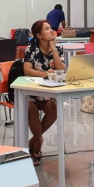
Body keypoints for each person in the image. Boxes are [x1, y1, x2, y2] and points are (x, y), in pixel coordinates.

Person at [23, 20, 65, 165]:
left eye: (51, 28)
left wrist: (54, 50)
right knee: (31, 109)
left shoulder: (57, 49)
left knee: (53, 109)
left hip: (48, 92)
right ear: (39, 35)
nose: (52, 30)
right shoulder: (31, 48)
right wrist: (45, 74)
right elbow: (27, 70)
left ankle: (33, 140)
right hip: (31, 90)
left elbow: (61, 70)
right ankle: (39, 140)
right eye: (47, 29)